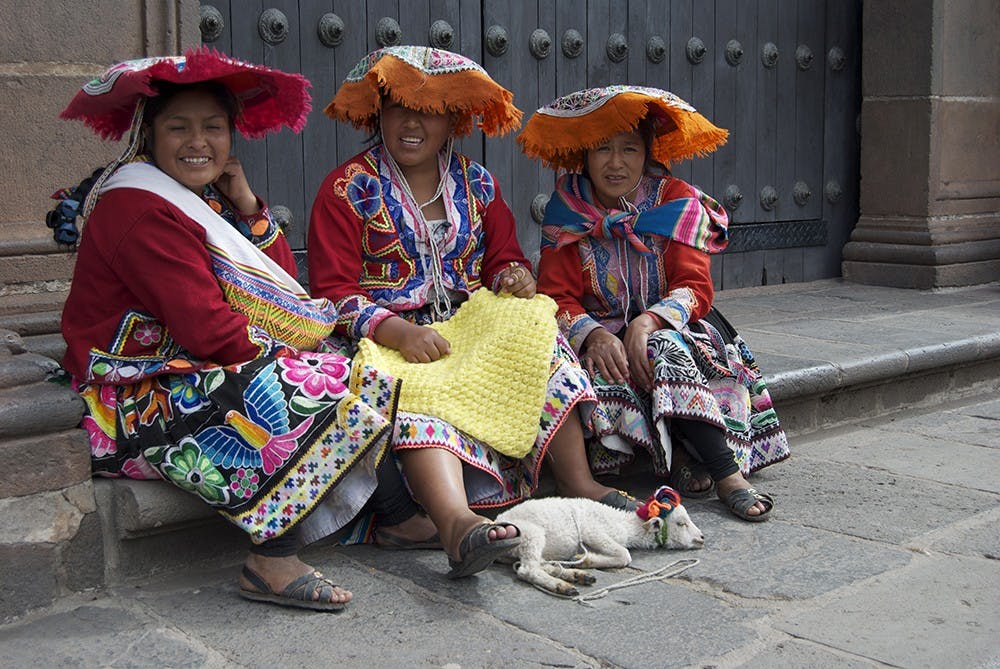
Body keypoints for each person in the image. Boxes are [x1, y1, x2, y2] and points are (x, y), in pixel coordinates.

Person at [57, 48, 436, 611]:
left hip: (183, 371)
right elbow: (208, 329)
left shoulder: (200, 200)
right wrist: (297, 355)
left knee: (348, 367)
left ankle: (398, 517)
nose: (197, 142)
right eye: (178, 127)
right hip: (127, 401)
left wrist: (246, 203)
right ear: (148, 136)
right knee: (298, 383)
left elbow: (281, 280)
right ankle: (271, 559)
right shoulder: (137, 208)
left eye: (213, 128)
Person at [308, 46, 635, 578]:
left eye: (429, 109)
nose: (412, 122)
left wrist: (514, 277)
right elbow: (332, 292)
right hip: (386, 334)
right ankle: (457, 524)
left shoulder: (477, 183)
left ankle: (577, 480)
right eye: (398, 108)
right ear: (377, 114)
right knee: (418, 386)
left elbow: (501, 258)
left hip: (466, 324)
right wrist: (396, 330)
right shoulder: (348, 189)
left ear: (454, 120)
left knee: (537, 326)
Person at [519, 86, 790, 521]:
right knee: (575, 367)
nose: (615, 162)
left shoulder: (673, 199)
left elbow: (694, 287)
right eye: (602, 149)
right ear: (584, 156)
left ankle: (727, 474)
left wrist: (647, 323)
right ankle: (677, 459)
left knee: (660, 349)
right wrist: (593, 336)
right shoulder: (567, 208)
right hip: (600, 332)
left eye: (629, 149)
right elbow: (557, 294)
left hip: (678, 327)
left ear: (647, 152)